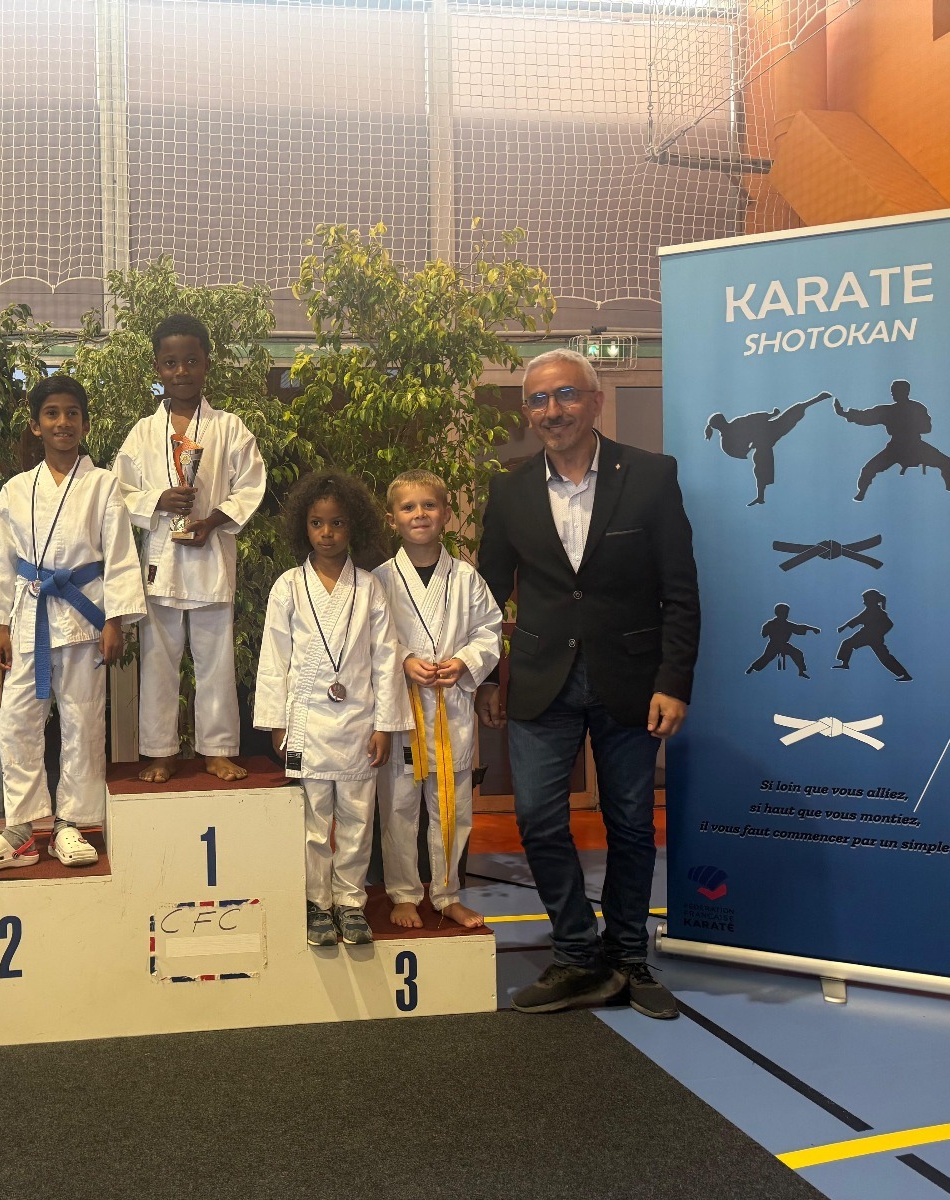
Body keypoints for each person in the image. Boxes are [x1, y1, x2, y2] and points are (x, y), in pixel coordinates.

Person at [476, 348, 699, 1020]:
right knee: (538, 819)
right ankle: (577, 954)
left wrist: (674, 681)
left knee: (630, 824)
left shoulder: (652, 476)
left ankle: (628, 956)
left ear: (596, 400)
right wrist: (486, 676)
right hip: (539, 682)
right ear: (528, 412)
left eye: (567, 394)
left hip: (631, 682)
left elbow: (680, 591)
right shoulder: (509, 491)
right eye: (539, 399)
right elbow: (486, 595)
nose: (553, 410)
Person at [0, 376, 146, 872]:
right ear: (36, 425)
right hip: (29, 616)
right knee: (16, 721)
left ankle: (72, 823)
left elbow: (120, 557)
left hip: (84, 616)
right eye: (52, 414)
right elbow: (3, 562)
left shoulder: (103, 484)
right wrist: (0, 625)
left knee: (84, 721)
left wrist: (116, 621)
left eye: (72, 413)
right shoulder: (16, 489)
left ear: (84, 423)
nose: (63, 422)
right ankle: (19, 829)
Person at [255, 469, 409, 947]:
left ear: (353, 526)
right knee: (313, 821)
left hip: (359, 719)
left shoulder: (369, 587)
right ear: (304, 526)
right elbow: (274, 657)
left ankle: (350, 901)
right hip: (306, 721)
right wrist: (276, 721)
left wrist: (385, 724)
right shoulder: (288, 586)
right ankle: (316, 902)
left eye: (337, 523)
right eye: (317, 523)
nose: (327, 533)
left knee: (359, 818)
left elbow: (386, 658)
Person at [114, 314, 266, 784]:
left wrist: (213, 520)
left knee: (215, 659)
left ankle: (216, 750)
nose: (181, 371)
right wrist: (158, 500)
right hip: (162, 559)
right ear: (157, 367)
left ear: (207, 364)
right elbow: (119, 492)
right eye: (171, 362)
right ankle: (161, 752)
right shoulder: (142, 432)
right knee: (158, 661)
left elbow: (251, 485)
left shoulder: (230, 428)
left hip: (210, 555)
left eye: (191, 361)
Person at [374, 471, 502, 930]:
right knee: (398, 809)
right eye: (408, 507)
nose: (419, 514)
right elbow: (371, 639)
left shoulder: (466, 578)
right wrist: (405, 659)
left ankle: (447, 893)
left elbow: (489, 631)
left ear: (446, 514)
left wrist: (465, 662)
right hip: (402, 711)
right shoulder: (379, 580)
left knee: (454, 808)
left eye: (429, 505)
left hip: (451, 710)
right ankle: (404, 893)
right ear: (392, 518)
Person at [836, 379, 950, 501]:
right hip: (896, 447)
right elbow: (866, 417)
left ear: (905, 392)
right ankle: (862, 491)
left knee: (947, 462)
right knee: (868, 470)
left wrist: (909, 425)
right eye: (892, 391)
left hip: (915, 445)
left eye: (895, 391)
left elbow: (927, 428)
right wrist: (844, 413)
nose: (893, 394)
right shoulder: (888, 410)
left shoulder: (917, 408)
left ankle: (949, 484)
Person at [703, 393, 827, 505]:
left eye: (723, 420)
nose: (724, 422)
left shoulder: (736, 423)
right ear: (718, 426)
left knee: (794, 410)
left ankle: (818, 398)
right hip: (762, 443)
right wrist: (749, 446)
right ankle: (760, 497)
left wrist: (771, 415)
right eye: (721, 422)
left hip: (770, 429)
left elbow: (752, 418)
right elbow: (738, 452)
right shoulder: (726, 441)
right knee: (760, 467)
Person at [833, 589, 910, 682]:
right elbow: (856, 620)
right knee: (847, 643)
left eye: (865, 600)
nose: (864, 602)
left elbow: (889, 624)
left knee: (885, 657)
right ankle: (845, 663)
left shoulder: (879, 612)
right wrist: (843, 627)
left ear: (871, 600)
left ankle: (905, 674)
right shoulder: (868, 611)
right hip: (865, 635)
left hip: (874, 638)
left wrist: (879, 633)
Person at [746, 603, 820, 678]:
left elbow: (800, 627)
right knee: (766, 657)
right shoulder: (771, 623)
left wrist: (813, 629)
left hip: (784, 645)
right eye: (783, 612)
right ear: (777, 613)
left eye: (786, 613)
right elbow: (764, 634)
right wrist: (767, 630)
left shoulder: (788, 625)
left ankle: (801, 671)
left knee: (798, 654)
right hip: (773, 645)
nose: (785, 614)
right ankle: (752, 667)